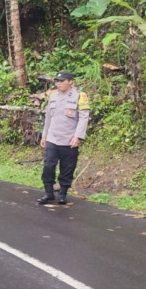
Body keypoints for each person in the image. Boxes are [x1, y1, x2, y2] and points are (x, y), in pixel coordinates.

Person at [38, 71, 90, 205]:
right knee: (48, 165)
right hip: (53, 138)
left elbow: (84, 118)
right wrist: (45, 135)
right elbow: (48, 117)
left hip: (69, 139)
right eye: (57, 81)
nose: (59, 83)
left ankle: (62, 194)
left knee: (67, 168)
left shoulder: (80, 96)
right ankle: (48, 193)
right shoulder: (53, 96)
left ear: (70, 81)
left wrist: (77, 136)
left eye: (62, 81)